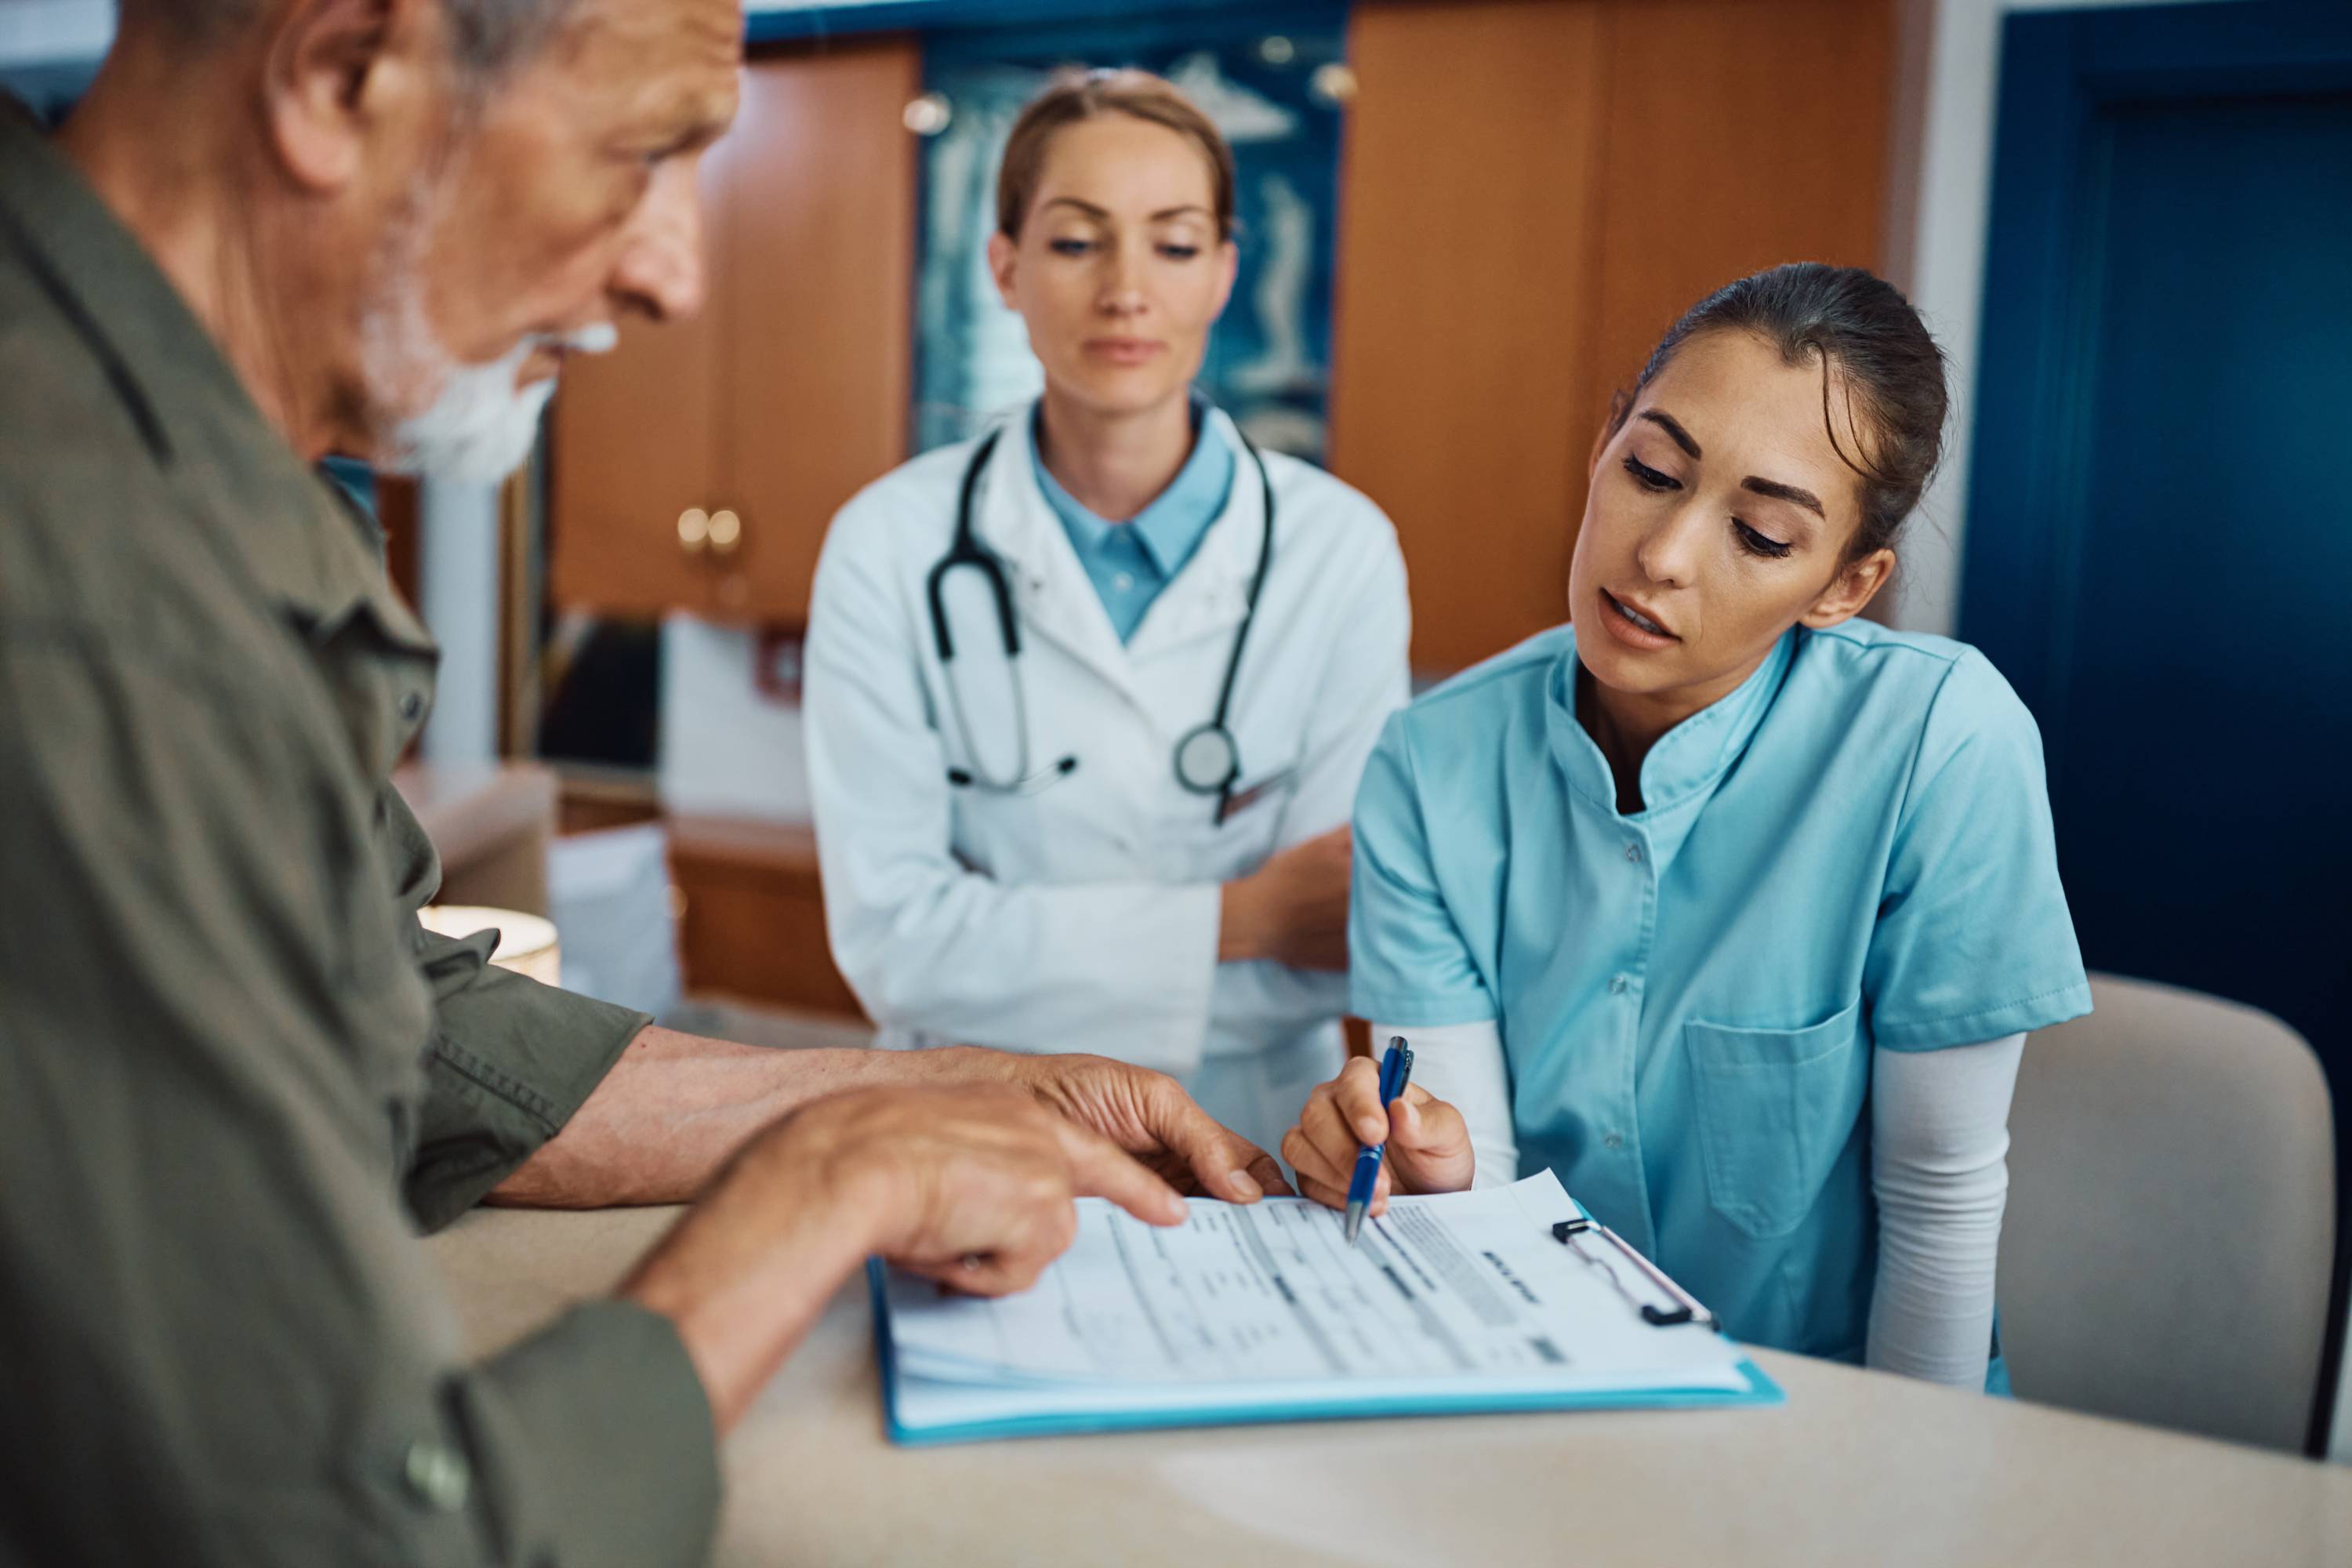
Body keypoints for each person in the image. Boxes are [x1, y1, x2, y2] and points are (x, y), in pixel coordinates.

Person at [0, 4, 1288, 1563]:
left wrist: (908, 1094)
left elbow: (411, 1030)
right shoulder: (91, 596)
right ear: (341, 74)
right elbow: (351, 1538)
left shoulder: (170, 465)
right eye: (645, 151)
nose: (674, 273)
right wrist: (808, 1196)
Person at [1279, 264, 2092, 1389]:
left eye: (1759, 535)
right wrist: (1429, 1169)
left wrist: (1911, 1503)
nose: (1661, 555)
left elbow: (1939, 1200)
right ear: (1605, 443)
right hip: (1540, 1376)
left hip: (1831, 1409)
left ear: (1844, 588)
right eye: (1654, 471)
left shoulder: (1937, 744)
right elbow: (1479, 1194)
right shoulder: (1434, 762)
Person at [804, 70, 1410, 1160]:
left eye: (1174, 245)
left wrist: (1012, 946)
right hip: (975, 1123)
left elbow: (1327, 942)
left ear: (1224, 273)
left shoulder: (1339, 550)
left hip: (1253, 1126)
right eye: (1079, 242)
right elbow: (895, 945)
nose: (1127, 291)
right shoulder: (887, 545)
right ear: (1005, 267)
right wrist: (1240, 919)